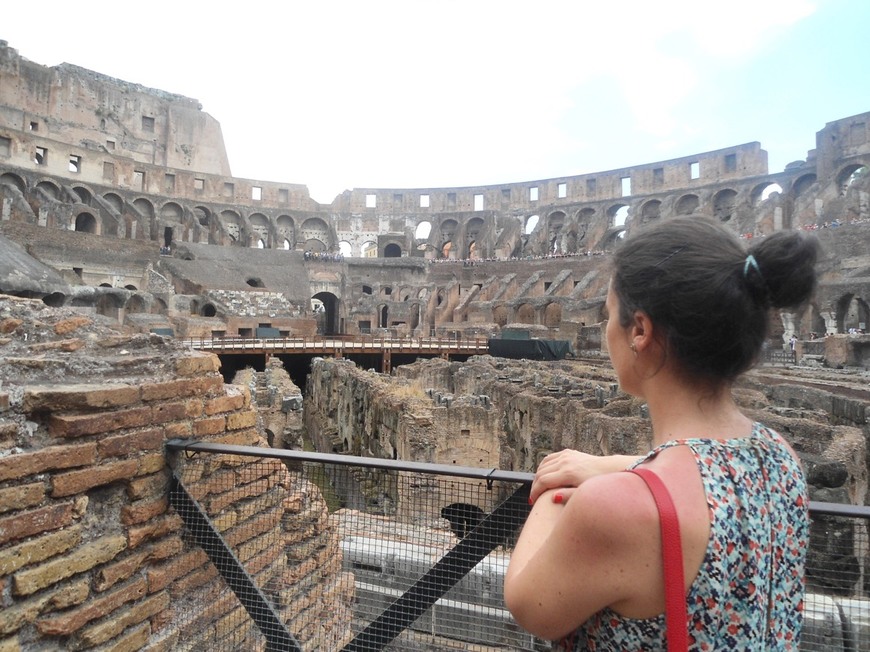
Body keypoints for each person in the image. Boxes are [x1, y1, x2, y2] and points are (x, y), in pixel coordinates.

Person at [504, 216, 819, 650]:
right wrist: (611, 466)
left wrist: (552, 488)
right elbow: (704, 478)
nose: (604, 329)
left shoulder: (615, 510)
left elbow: (526, 604)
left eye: (608, 316)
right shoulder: (781, 457)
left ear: (639, 330)